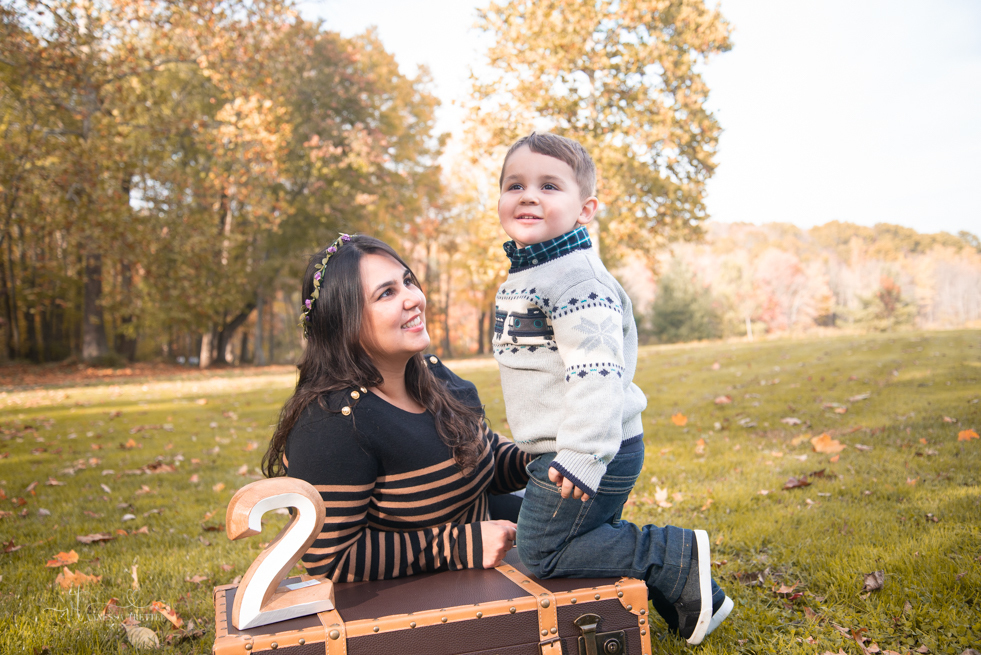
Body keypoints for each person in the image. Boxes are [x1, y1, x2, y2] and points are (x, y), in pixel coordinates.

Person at [493, 132, 733, 645]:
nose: (528, 195)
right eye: (515, 184)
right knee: (586, 542)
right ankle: (694, 598)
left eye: (549, 185)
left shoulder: (578, 282)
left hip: (588, 448)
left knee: (541, 552)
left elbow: (596, 374)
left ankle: (670, 554)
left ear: (585, 209)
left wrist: (582, 453)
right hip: (570, 449)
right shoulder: (534, 273)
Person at [262, 234, 528, 582]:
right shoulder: (333, 423)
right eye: (386, 293)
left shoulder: (430, 374)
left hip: (491, 561)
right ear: (344, 321)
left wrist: (539, 458)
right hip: (420, 602)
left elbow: (482, 455)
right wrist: (457, 546)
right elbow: (331, 560)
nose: (413, 299)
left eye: (407, 281)